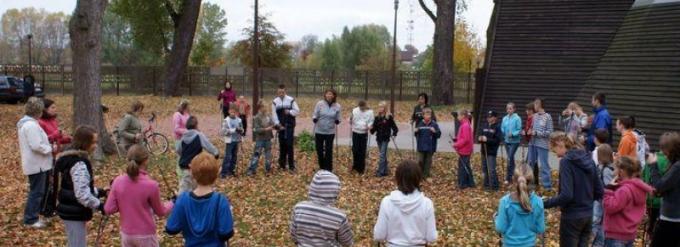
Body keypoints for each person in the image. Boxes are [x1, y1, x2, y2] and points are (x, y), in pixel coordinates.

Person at [104, 145, 174, 247]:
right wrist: (173, 202)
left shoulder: (117, 181)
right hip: (146, 234)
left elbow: (108, 209)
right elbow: (161, 211)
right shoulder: (151, 185)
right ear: (145, 160)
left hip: (127, 234)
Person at [543, 131, 603, 247]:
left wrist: (544, 203)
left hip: (572, 218)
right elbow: (599, 190)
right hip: (588, 216)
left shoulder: (566, 162)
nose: (555, 154)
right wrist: (586, 201)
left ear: (560, 145)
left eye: (554, 149)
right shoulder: (588, 158)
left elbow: (566, 195)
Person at [54, 126, 108, 247]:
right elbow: (82, 195)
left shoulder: (71, 159)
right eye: (93, 142)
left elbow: (76, 188)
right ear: (85, 143)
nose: (95, 145)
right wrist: (100, 205)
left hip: (71, 209)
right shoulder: (79, 164)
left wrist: (100, 192)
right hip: (73, 212)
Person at [166, 153, 235, 247]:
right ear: (216, 175)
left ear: (192, 173)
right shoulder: (220, 201)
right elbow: (226, 233)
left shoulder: (183, 200)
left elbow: (171, 228)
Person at [373, 160, 437, 246]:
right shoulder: (427, 204)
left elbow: (379, 235)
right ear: (418, 179)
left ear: (397, 178)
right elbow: (432, 237)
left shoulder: (387, 202)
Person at [18, 97, 55, 228]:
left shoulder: (29, 124)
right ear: (38, 111)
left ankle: (33, 216)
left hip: (37, 164)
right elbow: (36, 145)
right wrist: (51, 149)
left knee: (37, 191)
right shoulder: (31, 125)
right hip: (36, 165)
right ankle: (30, 219)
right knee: (37, 192)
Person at [290, 170, 353, 246]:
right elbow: (347, 242)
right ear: (334, 191)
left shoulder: (299, 208)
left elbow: (293, 235)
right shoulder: (339, 217)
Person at [602, 156, 653, 247]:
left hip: (617, 235)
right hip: (629, 233)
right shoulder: (637, 187)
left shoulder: (624, 190)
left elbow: (610, 207)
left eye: (615, 169)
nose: (613, 172)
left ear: (620, 172)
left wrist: (608, 190)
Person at [495, 165, 545, 247]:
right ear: (532, 181)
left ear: (513, 180)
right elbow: (540, 229)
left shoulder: (505, 202)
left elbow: (500, 228)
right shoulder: (538, 202)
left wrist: (496, 219)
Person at [647, 132, 680, 247]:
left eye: (664, 150)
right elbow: (671, 187)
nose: (663, 153)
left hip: (671, 219)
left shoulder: (678, 167)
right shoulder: (675, 164)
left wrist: (653, 165)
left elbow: (659, 185)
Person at [176, 116, 219, 193]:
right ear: (196, 125)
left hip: (185, 167)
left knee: (184, 189)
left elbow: (178, 150)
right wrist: (216, 153)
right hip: (196, 167)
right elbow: (208, 145)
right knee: (198, 188)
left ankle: (181, 201)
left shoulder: (183, 136)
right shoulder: (199, 135)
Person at [641, 150, 669, 244]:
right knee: (658, 225)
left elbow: (643, 175)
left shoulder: (651, 158)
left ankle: (647, 240)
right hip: (662, 200)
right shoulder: (669, 161)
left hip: (648, 197)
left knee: (648, 223)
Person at [272, 84, 300, 172]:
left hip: (289, 126)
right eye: (279, 92)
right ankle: (282, 165)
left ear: (285, 91)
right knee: (282, 145)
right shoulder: (275, 102)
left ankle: (291, 166)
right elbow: (274, 114)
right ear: (277, 92)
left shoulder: (291, 100)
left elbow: (297, 111)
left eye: (283, 92)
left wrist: (289, 112)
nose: (281, 93)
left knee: (289, 145)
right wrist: (277, 124)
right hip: (280, 127)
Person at [313, 89, 342, 171]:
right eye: (328, 94)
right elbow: (315, 113)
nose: (329, 96)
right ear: (325, 95)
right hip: (319, 131)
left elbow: (339, 118)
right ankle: (322, 167)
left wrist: (337, 121)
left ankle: (328, 168)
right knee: (319, 150)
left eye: (331, 94)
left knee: (329, 150)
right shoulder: (320, 104)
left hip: (330, 131)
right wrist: (314, 118)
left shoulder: (337, 106)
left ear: (334, 96)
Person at [592, 144, 615, 247]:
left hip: (601, 200)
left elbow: (608, 187)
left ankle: (598, 243)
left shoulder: (606, 170)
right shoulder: (605, 167)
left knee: (597, 221)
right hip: (600, 199)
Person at [530, 98, 553, 191]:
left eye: (535, 104)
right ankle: (531, 183)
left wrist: (537, 133)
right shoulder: (534, 116)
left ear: (539, 105)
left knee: (544, 165)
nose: (534, 106)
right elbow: (532, 128)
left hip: (542, 144)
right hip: (532, 143)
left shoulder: (548, 116)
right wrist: (529, 132)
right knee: (531, 163)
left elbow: (550, 132)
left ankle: (547, 186)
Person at [370, 101, 398, 177]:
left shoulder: (388, 117)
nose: (380, 108)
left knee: (382, 155)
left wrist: (394, 133)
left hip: (385, 138)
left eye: (382, 107)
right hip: (378, 138)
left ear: (385, 108)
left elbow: (395, 127)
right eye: (379, 107)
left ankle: (380, 172)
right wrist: (371, 128)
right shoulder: (377, 118)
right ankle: (385, 170)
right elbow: (373, 130)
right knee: (383, 155)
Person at [248, 100, 276, 176]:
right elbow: (256, 129)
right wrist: (266, 129)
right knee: (256, 155)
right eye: (264, 106)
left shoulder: (268, 116)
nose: (266, 108)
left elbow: (273, 124)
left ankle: (268, 170)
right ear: (260, 108)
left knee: (268, 155)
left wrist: (276, 126)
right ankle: (251, 170)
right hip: (260, 139)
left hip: (268, 139)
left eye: (266, 106)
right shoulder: (257, 117)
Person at [414, 108, 441, 178]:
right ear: (423, 115)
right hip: (421, 146)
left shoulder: (434, 124)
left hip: (430, 146)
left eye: (429, 115)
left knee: (428, 161)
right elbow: (416, 134)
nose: (428, 116)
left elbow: (438, 134)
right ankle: (419, 174)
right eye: (426, 114)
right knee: (420, 160)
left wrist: (435, 131)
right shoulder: (420, 123)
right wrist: (416, 131)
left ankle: (425, 175)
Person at [480, 110, 503, 190]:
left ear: (495, 118)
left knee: (491, 169)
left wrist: (487, 140)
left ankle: (494, 186)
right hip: (484, 150)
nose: (488, 118)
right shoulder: (485, 125)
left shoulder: (497, 127)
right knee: (485, 168)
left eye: (490, 117)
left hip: (491, 151)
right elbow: (481, 135)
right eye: (488, 117)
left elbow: (497, 140)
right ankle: (486, 185)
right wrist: (480, 138)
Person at [350, 100, 374, 174]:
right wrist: (350, 119)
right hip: (355, 132)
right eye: (360, 107)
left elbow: (371, 120)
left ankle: (361, 168)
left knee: (362, 150)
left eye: (363, 107)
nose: (362, 109)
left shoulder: (370, 112)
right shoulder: (355, 110)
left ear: (365, 106)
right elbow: (351, 120)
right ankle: (355, 165)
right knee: (355, 149)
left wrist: (369, 126)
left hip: (364, 133)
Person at [501, 102, 522, 186]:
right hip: (506, 141)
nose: (509, 110)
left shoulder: (517, 118)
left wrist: (513, 134)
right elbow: (502, 127)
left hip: (514, 142)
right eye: (507, 108)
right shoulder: (504, 118)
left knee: (509, 158)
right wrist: (504, 132)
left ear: (514, 109)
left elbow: (519, 129)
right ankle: (515, 176)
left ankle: (508, 178)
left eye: (510, 108)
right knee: (511, 159)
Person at [453, 109, 474, 189]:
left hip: (465, 150)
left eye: (458, 115)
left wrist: (456, 144)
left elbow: (466, 139)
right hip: (464, 149)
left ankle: (463, 184)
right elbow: (463, 137)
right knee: (466, 166)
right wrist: (456, 139)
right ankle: (470, 183)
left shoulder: (465, 125)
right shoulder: (464, 124)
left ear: (463, 116)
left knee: (463, 167)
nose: (457, 117)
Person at [220, 105, 243, 178]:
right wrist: (233, 130)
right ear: (229, 111)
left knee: (234, 156)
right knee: (228, 156)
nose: (233, 113)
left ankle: (231, 171)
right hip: (230, 141)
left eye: (234, 112)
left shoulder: (239, 120)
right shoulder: (226, 120)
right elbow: (223, 131)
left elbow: (242, 129)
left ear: (236, 112)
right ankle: (224, 172)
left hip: (236, 140)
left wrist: (241, 130)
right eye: (231, 112)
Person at [521, 102, 538, 186]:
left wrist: (528, 133)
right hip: (529, 141)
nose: (526, 111)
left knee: (531, 161)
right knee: (532, 161)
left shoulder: (534, 118)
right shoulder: (528, 118)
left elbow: (532, 129)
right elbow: (527, 128)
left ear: (532, 110)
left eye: (528, 110)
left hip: (534, 142)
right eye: (526, 110)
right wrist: (524, 131)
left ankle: (532, 181)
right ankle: (534, 180)